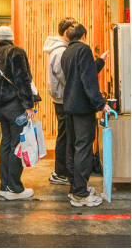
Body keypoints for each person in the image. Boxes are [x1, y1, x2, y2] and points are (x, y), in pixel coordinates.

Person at [61, 23, 111, 207]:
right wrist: (101, 104)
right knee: (83, 147)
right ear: (83, 35)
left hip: (70, 105)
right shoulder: (83, 49)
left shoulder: (67, 52)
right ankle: (81, 194)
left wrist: (100, 61)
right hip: (82, 107)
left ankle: (75, 188)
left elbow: (81, 74)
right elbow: (88, 80)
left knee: (72, 147)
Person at [0, 25, 37, 200]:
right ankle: (15, 188)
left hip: (2, 108)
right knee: (18, 146)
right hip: (16, 106)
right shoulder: (16, 52)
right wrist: (28, 105)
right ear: (11, 38)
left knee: (6, 145)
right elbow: (23, 79)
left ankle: (5, 186)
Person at [43, 17, 78, 187]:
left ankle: (61, 171)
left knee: (64, 134)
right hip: (63, 97)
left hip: (61, 97)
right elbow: (62, 73)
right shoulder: (60, 50)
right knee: (64, 135)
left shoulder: (58, 48)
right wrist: (73, 85)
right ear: (66, 32)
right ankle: (60, 172)